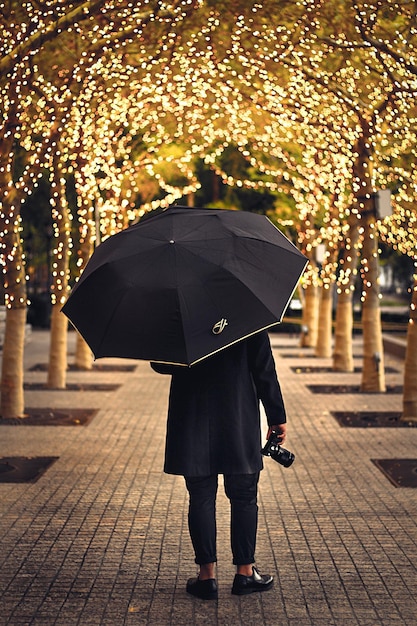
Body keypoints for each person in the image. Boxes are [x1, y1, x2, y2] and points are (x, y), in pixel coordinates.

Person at [151, 330, 287, 600]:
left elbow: (159, 363)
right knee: (244, 496)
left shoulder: (180, 312)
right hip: (237, 418)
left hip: (192, 415)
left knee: (200, 496)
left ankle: (206, 577)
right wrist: (276, 415)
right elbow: (264, 367)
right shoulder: (247, 311)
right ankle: (245, 573)